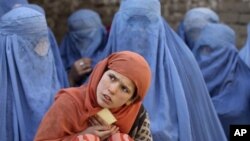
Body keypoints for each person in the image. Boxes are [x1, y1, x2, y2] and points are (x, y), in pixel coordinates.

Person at [102, 0, 227, 140]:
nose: (137, 31)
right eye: (129, 23)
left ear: (160, 25)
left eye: (145, 23)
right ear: (117, 24)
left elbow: (196, 122)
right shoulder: (100, 69)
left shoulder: (184, 65)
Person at [34, 51, 153, 141]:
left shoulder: (136, 114)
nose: (112, 89)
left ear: (131, 100)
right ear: (101, 73)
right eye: (111, 77)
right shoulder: (70, 102)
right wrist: (81, 136)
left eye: (124, 89)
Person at [0, 7, 61, 141]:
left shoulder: (53, 87)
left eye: (45, 41)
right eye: (34, 42)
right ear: (9, 47)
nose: (43, 49)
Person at [191, 23, 250, 138]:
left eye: (212, 50)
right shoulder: (187, 82)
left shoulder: (245, 84)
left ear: (230, 52)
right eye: (203, 50)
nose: (206, 57)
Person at [60, 9, 108, 86]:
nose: (86, 47)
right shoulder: (59, 64)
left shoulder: (112, 58)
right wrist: (71, 77)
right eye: (80, 38)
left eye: (92, 38)